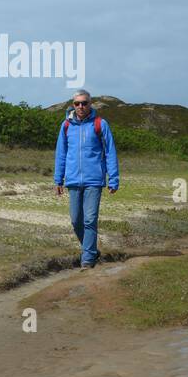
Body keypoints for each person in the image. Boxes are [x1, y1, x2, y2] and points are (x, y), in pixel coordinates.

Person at [53, 90, 120, 268]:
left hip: (94, 180)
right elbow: (61, 153)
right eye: (77, 103)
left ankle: (87, 260)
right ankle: (91, 251)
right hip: (73, 180)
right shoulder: (66, 125)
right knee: (76, 221)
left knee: (90, 219)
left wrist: (113, 179)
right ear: (73, 105)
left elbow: (110, 152)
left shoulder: (100, 124)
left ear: (91, 104)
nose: (81, 106)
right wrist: (58, 179)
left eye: (84, 103)